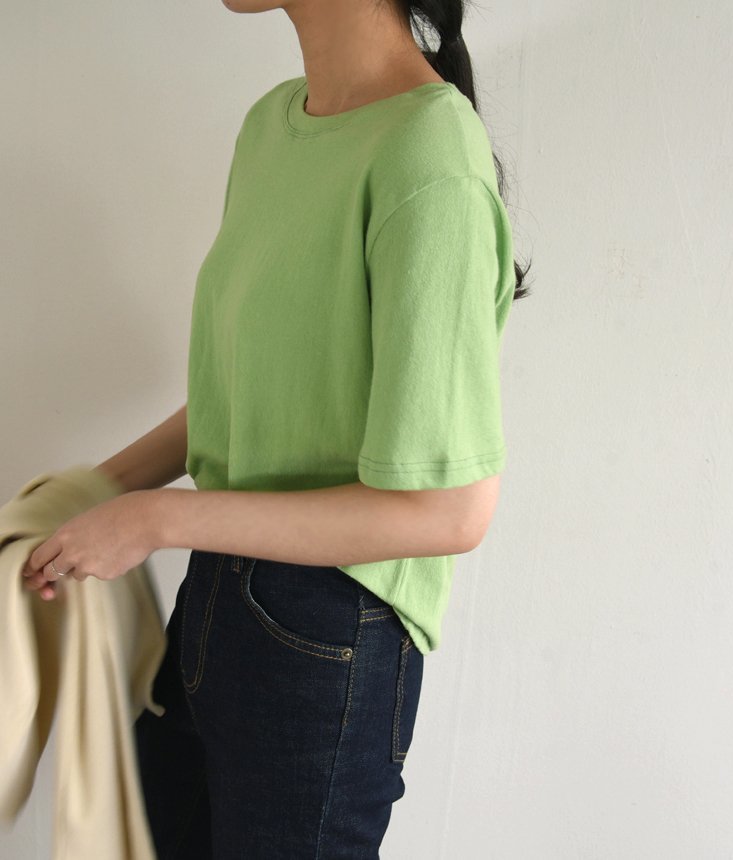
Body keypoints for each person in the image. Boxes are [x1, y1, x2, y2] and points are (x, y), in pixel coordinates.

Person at [20, 0, 531, 855]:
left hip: (330, 637)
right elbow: (248, 402)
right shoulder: (271, 126)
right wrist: (82, 498)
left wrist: (157, 519)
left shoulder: (429, 155)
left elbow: (450, 512)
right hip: (216, 605)